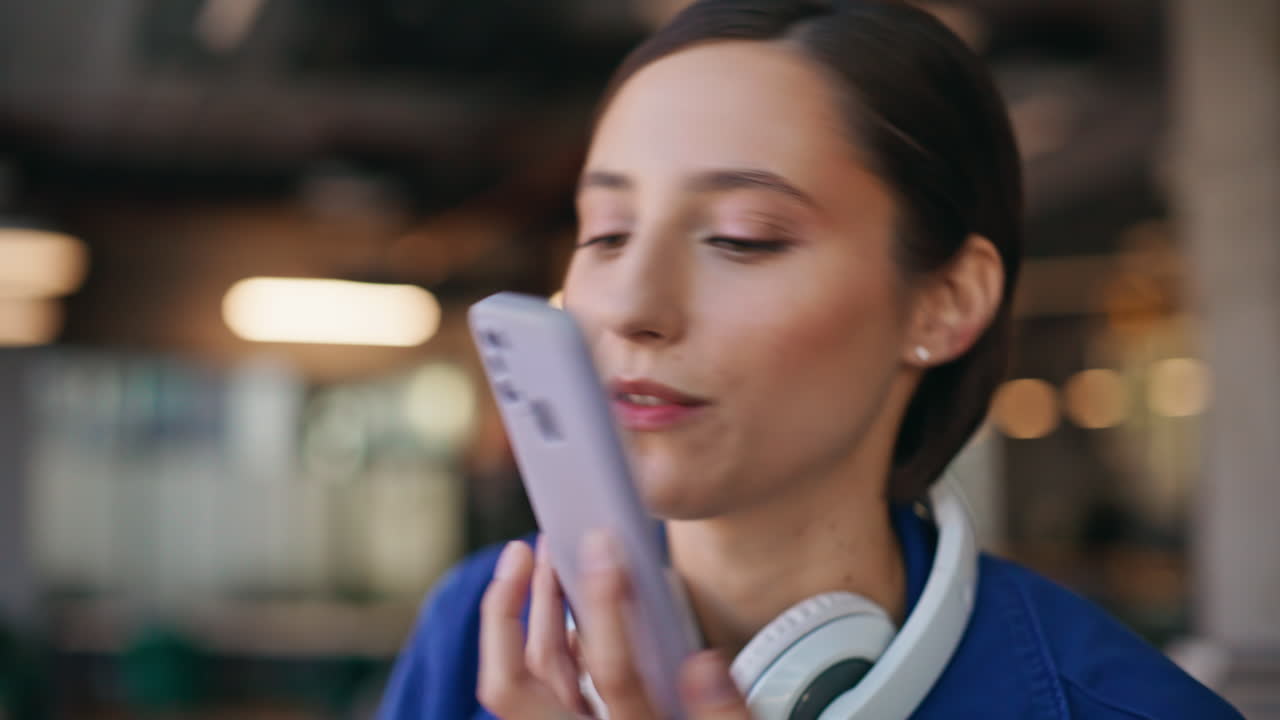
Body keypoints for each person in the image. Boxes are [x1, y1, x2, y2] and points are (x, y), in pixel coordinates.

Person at [378, 1, 1243, 718]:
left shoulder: (1122, 706)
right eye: (607, 233)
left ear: (946, 303)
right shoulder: (485, 634)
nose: (633, 308)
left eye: (741, 239)